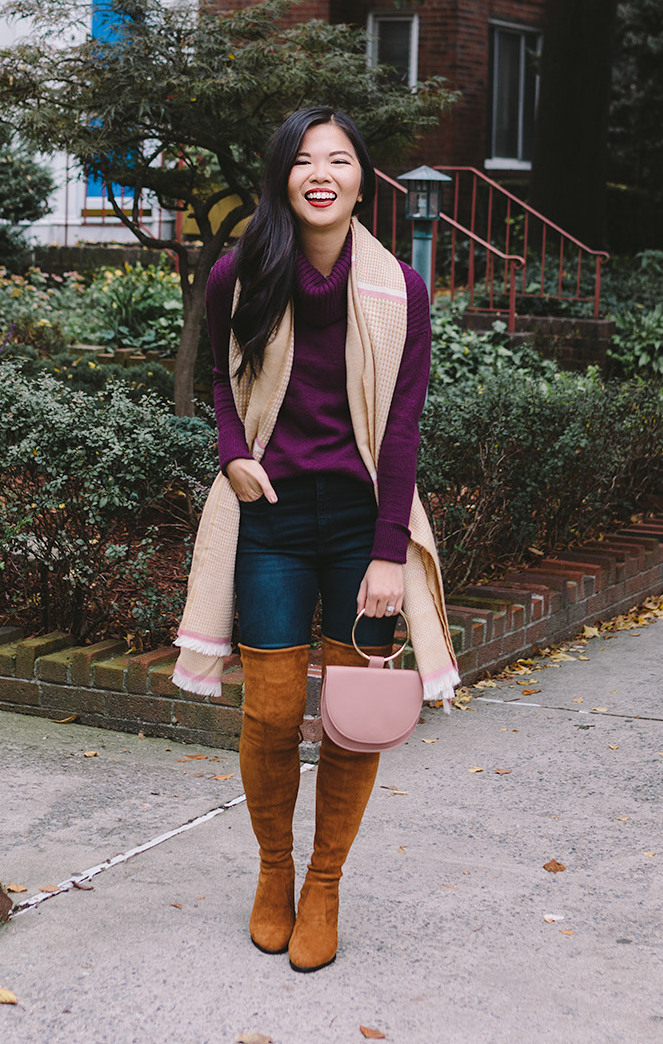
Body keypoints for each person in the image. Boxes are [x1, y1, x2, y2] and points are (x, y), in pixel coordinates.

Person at [174, 106, 458, 972]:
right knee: (267, 713)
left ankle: (324, 881)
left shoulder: (400, 288)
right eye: (304, 160)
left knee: (350, 719)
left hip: (361, 528)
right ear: (283, 177)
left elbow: (403, 427)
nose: (321, 172)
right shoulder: (242, 271)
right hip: (272, 522)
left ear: (363, 179)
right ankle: (274, 869)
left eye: (338, 159)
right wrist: (230, 455)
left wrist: (386, 552)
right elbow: (222, 382)